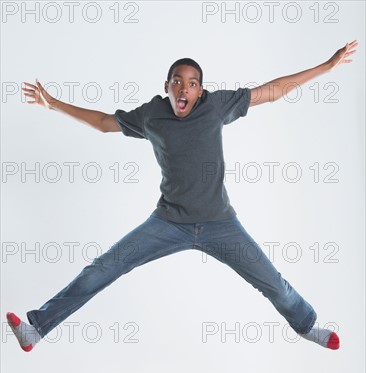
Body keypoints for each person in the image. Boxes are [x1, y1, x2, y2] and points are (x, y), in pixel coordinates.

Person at [6, 40, 358, 352]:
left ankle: (307, 326)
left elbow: (273, 90)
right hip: (167, 222)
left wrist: (326, 66)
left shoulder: (217, 106)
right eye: (177, 81)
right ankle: (36, 328)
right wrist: (53, 104)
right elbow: (102, 122)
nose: (183, 88)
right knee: (102, 269)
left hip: (220, 222)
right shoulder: (151, 115)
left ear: (201, 90)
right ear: (167, 86)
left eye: (192, 83)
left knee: (273, 283)